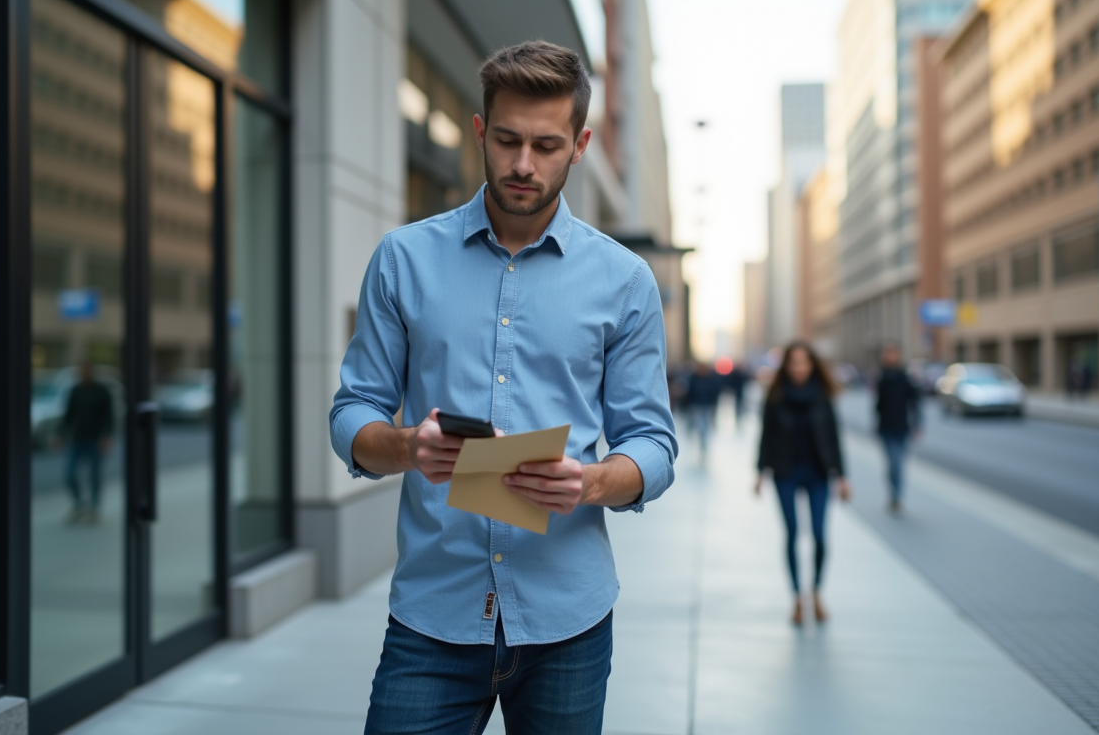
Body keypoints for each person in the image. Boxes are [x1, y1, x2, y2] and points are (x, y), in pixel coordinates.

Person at [329, 40, 678, 735]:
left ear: (579, 146)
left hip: (568, 621)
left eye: (547, 145)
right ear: (481, 132)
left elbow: (653, 443)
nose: (524, 165)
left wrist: (595, 482)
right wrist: (405, 446)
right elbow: (353, 412)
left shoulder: (625, 280)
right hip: (433, 615)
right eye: (509, 140)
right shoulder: (403, 260)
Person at [755, 342, 848, 626]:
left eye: (804, 362)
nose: (799, 368)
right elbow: (766, 436)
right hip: (786, 472)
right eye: (794, 363)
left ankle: (817, 591)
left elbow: (834, 437)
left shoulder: (823, 396)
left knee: (819, 535)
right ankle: (797, 598)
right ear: (787, 366)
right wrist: (760, 472)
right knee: (793, 534)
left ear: (812, 365)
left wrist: (842, 476)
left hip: (818, 472)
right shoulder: (776, 396)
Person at [58, 360, 113, 524]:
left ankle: (94, 508)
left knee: (95, 476)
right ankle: (78, 504)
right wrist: (60, 435)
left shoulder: (102, 391)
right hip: (77, 439)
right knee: (69, 474)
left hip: (95, 440)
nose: (83, 372)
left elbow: (108, 416)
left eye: (86, 370)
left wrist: (106, 437)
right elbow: (69, 415)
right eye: (81, 370)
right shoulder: (75, 390)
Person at [875, 343, 920, 514]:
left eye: (893, 353)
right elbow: (878, 405)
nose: (890, 356)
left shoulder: (905, 378)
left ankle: (897, 496)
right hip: (885, 428)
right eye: (888, 353)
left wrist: (917, 424)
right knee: (891, 464)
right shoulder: (882, 377)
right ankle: (893, 493)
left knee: (897, 463)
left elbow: (914, 403)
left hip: (901, 428)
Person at [683, 360, 723, 456]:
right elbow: (689, 391)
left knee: (704, 426)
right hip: (695, 404)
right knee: (695, 422)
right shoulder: (693, 378)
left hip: (706, 405)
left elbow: (715, 391)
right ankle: (692, 432)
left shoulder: (711, 378)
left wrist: (714, 404)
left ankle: (703, 443)